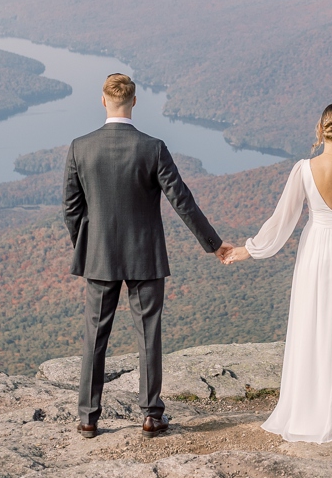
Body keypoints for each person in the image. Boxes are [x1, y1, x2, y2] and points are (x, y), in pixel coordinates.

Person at [64, 73, 231, 438]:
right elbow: (182, 201)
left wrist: (87, 246)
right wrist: (214, 244)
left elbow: (71, 210)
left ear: (103, 101)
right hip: (145, 256)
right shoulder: (152, 147)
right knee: (148, 334)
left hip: (99, 256)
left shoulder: (80, 147)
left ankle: (88, 418)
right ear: (134, 102)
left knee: (95, 336)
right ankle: (152, 416)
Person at [222, 103, 332, 442]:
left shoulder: (304, 169)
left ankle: (310, 410)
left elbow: (282, 221)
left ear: (321, 129)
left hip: (317, 251)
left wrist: (248, 250)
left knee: (313, 326)